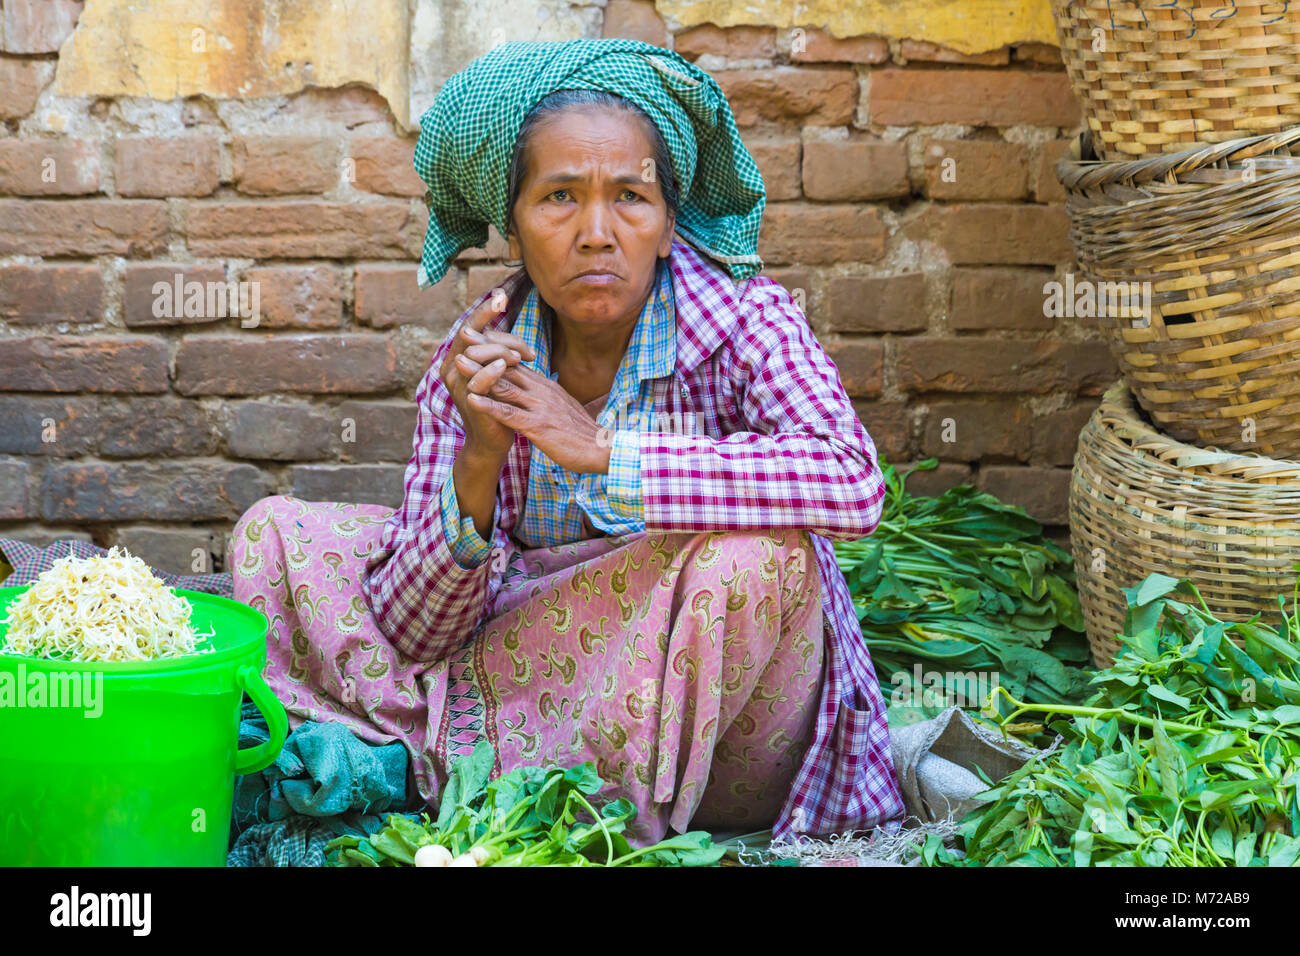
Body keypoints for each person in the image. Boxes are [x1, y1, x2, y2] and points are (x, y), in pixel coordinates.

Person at [229, 37, 904, 846]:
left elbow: (853, 481)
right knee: (282, 535)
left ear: (667, 222)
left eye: (630, 197)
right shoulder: (484, 359)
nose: (596, 232)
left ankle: (432, 772)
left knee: (760, 560)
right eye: (558, 198)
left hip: (718, 741)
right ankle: (461, 767)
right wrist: (481, 458)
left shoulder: (744, 322)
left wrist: (605, 452)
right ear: (512, 228)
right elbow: (416, 634)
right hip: (534, 674)